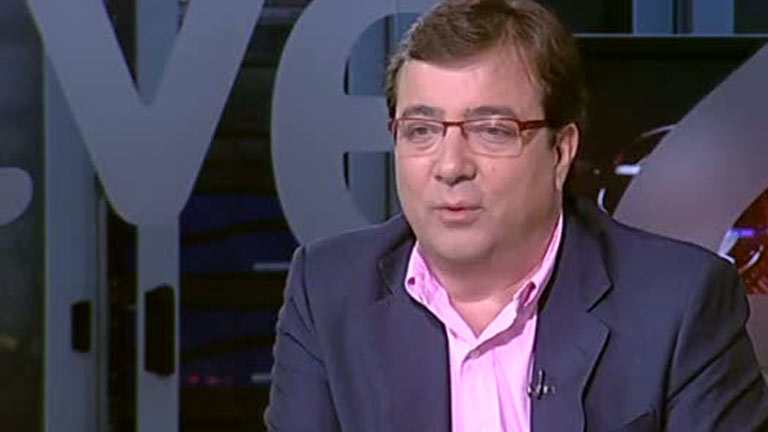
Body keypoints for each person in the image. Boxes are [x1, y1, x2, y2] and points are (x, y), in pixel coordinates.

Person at [265, 0, 768, 430]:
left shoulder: (679, 302)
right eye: (422, 130)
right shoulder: (328, 292)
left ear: (560, 151)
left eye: (492, 130)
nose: (450, 166)